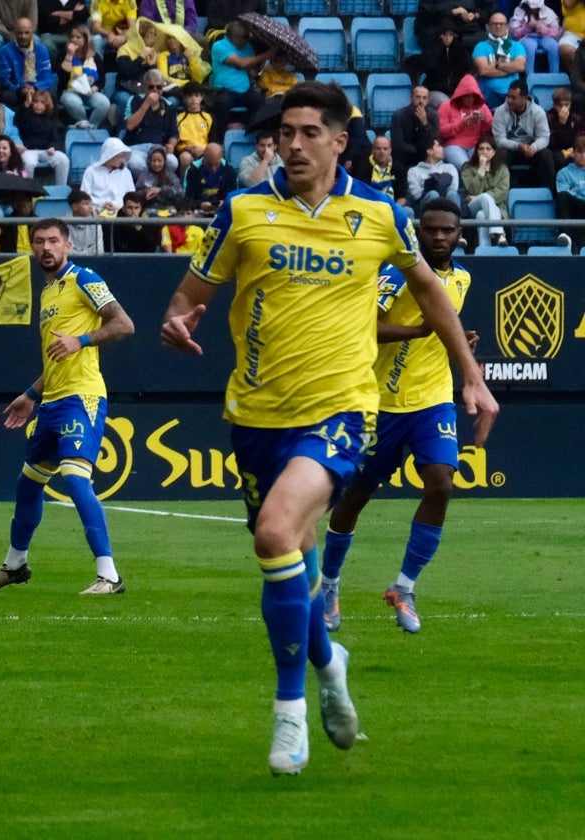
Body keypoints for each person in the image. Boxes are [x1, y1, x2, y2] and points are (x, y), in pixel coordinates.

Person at [160, 82, 497, 776]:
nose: (293, 144)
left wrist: (471, 374)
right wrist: (177, 320)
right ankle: (328, 663)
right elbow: (191, 295)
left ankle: (289, 712)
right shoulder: (243, 211)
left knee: (276, 532)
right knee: (294, 561)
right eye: (286, 132)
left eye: (309, 132)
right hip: (256, 413)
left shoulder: (377, 213)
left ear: (340, 141)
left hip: (343, 407)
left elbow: (431, 288)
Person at [321, 198, 477, 635]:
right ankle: (330, 586)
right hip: (380, 402)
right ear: (417, 232)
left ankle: (404, 587)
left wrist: (457, 339)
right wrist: (420, 330)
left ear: (460, 234)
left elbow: (441, 327)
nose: (440, 237)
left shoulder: (463, 277)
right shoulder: (395, 274)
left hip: (432, 399)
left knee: (442, 483)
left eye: (448, 231)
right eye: (431, 230)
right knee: (353, 498)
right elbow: (366, 326)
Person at [0, 217, 134, 594]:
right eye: (39, 242)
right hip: (52, 402)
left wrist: (82, 339)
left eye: (53, 241)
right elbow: (56, 358)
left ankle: (109, 575)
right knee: (27, 484)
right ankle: (14, 566)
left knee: (76, 478)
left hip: (82, 396)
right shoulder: (48, 293)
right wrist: (31, 395)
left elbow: (123, 324)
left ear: (67, 245)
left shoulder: (84, 279)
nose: (46, 248)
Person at [207, 19, 269, 141]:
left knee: (259, 100)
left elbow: (251, 66)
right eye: (243, 38)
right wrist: (267, 55)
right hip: (224, 90)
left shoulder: (248, 47)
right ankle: (220, 140)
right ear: (232, 37)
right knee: (222, 103)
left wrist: (258, 68)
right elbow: (241, 63)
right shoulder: (219, 46)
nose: (246, 40)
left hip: (245, 90)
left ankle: (255, 137)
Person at [492, 79, 555, 190]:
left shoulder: (538, 112)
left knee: (546, 155)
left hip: (531, 151)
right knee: (499, 154)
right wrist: (517, 146)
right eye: (508, 96)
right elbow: (499, 140)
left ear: (525, 98)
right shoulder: (500, 112)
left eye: (513, 98)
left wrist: (534, 147)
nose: (509, 100)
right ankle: (500, 191)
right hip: (510, 149)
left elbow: (544, 137)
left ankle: (549, 193)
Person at [123, 68, 179, 177]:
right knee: (135, 163)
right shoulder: (134, 100)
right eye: (151, 87)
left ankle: (155, 185)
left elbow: (174, 133)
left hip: (159, 148)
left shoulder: (169, 106)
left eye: (158, 87)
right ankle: (150, 184)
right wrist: (147, 103)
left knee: (173, 162)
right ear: (144, 88)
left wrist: (171, 145)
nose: (155, 90)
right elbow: (130, 125)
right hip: (137, 146)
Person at [0, 16, 55, 110]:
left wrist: (35, 88)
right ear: (15, 32)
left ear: (32, 32)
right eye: (20, 33)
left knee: (50, 94)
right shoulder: (5, 51)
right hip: (17, 91)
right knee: (7, 96)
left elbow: (46, 76)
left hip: (37, 89)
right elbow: (4, 78)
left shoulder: (42, 49)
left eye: (26, 33)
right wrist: (20, 89)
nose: (23, 36)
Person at [410, 18, 473, 107]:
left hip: (456, 90)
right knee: (446, 104)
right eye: (444, 35)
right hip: (435, 91)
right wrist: (439, 47)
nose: (447, 38)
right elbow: (426, 65)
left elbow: (467, 69)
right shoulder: (432, 50)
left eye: (451, 35)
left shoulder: (460, 52)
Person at [460, 136, 509, 247]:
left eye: (488, 149)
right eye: (481, 149)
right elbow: (473, 189)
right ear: (476, 151)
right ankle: (498, 233)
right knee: (485, 198)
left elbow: (502, 191)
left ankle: (484, 249)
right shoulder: (467, 168)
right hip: (474, 205)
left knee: (481, 215)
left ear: (494, 152)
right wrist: (481, 168)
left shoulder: (502, 169)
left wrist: (478, 196)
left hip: (497, 207)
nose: (484, 152)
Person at [14, 88, 70, 185]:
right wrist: (26, 105)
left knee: (63, 159)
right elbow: (17, 120)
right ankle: (27, 190)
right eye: (36, 102)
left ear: (46, 105)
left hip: (46, 151)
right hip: (29, 150)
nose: (38, 105)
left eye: (42, 103)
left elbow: (55, 137)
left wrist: (53, 146)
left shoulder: (51, 119)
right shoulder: (26, 115)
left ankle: (61, 188)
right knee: (28, 163)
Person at [437, 74, 492, 171]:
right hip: (453, 145)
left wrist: (485, 121)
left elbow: (491, 128)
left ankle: (479, 185)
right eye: (466, 96)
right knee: (465, 167)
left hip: (476, 145)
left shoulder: (482, 107)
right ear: (460, 95)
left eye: (472, 97)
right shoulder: (446, 107)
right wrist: (462, 124)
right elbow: (441, 131)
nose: (470, 100)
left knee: (483, 166)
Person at [473, 13, 526, 109]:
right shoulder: (481, 46)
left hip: (514, 94)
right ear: (489, 26)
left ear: (507, 26)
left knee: (533, 101)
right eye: (495, 24)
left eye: (501, 24)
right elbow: (484, 71)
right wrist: (509, 70)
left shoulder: (517, 45)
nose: (498, 26)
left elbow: (520, 66)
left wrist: (498, 65)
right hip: (490, 96)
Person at [60, 23, 108, 129]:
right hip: (70, 91)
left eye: (78, 37)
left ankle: (91, 127)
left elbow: (102, 79)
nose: (74, 40)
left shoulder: (94, 56)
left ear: (85, 39)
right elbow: (62, 77)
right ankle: (85, 126)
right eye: (72, 37)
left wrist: (95, 88)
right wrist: (69, 55)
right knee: (74, 102)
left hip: (89, 91)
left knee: (104, 103)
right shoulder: (65, 53)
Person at [80, 134, 133, 213]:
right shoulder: (91, 171)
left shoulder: (126, 172)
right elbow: (84, 196)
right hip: (95, 212)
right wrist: (102, 203)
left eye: (123, 156)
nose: (122, 160)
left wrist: (116, 204)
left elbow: (131, 195)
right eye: (119, 156)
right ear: (110, 155)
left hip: (120, 212)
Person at [407, 136, 460, 212]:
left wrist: (433, 182)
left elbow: (453, 189)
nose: (442, 148)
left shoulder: (449, 167)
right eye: (438, 146)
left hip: (448, 205)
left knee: (452, 195)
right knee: (433, 194)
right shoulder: (414, 171)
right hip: (425, 206)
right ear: (429, 151)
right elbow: (417, 195)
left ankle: (455, 222)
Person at [183, 140, 235, 215]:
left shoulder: (229, 170)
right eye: (209, 164)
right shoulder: (193, 170)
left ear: (221, 156)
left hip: (223, 211)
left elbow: (233, 196)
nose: (213, 168)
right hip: (198, 212)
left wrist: (225, 202)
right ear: (204, 156)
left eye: (216, 164)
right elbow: (187, 199)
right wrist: (199, 205)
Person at [509, 0, 561, 75]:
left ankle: (555, 75)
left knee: (553, 46)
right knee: (530, 46)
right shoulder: (519, 11)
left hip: (544, 37)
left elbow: (557, 31)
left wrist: (544, 30)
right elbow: (514, 32)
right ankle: (530, 76)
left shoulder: (548, 11)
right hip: (526, 38)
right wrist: (527, 28)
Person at [554, 135, 585, 250]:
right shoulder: (563, 173)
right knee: (562, 197)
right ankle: (565, 235)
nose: (583, 156)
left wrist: (575, 189)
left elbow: (571, 192)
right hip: (575, 209)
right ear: (573, 153)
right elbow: (564, 194)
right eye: (580, 152)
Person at [134, 144, 183, 212]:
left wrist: (160, 190)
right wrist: (147, 192)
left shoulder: (171, 176)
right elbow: (136, 195)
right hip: (149, 211)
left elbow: (180, 193)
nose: (156, 164)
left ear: (164, 161)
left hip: (169, 210)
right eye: (153, 161)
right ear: (149, 161)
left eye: (159, 161)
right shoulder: (143, 176)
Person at [174, 79, 210, 169]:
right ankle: (184, 183)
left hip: (204, 150)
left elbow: (214, 140)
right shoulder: (179, 118)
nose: (193, 99)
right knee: (185, 158)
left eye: (196, 95)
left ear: (202, 97)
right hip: (186, 150)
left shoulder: (208, 118)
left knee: (211, 157)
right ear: (185, 98)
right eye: (190, 96)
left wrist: (204, 149)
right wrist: (187, 148)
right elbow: (175, 140)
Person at [66, 186, 103, 254]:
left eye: (90, 204)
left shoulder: (96, 224)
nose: (90, 207)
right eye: (86, 203)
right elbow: (65, 250)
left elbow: (99, 250)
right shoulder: (63, 224)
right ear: (75, 207)